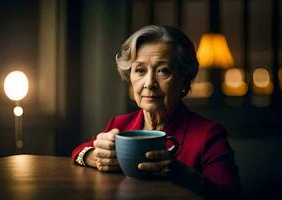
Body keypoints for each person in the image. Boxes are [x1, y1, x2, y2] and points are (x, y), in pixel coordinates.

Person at [72, 25, 242, 199]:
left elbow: (231, 196)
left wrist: (183, 174)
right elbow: (78, 151)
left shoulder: (209, 135)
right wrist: (94, 156)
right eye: (140, 70)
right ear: (129, 77)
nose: (149, 83)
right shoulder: (119, 124)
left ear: (184, 79)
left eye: (163, 71)